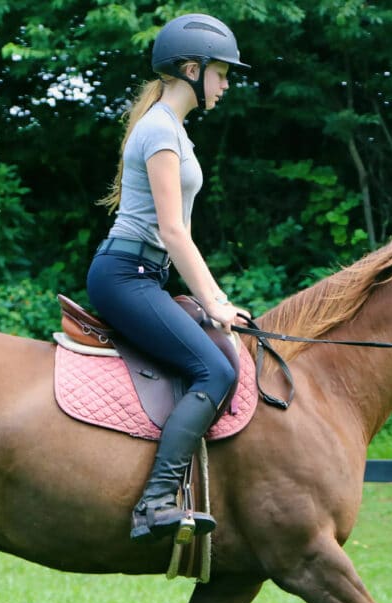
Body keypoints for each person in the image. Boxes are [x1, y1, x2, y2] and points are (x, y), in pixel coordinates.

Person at [87, 13, 250, 546]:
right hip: (125, 275)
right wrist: (216, 302)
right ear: (191, 68)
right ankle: (155, 501)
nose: (226, 84)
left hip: (146, 275)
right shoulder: (159, 129)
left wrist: (214, 301)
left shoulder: (172, 129)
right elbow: (174, 232)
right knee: (213, 371)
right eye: (221, 73)